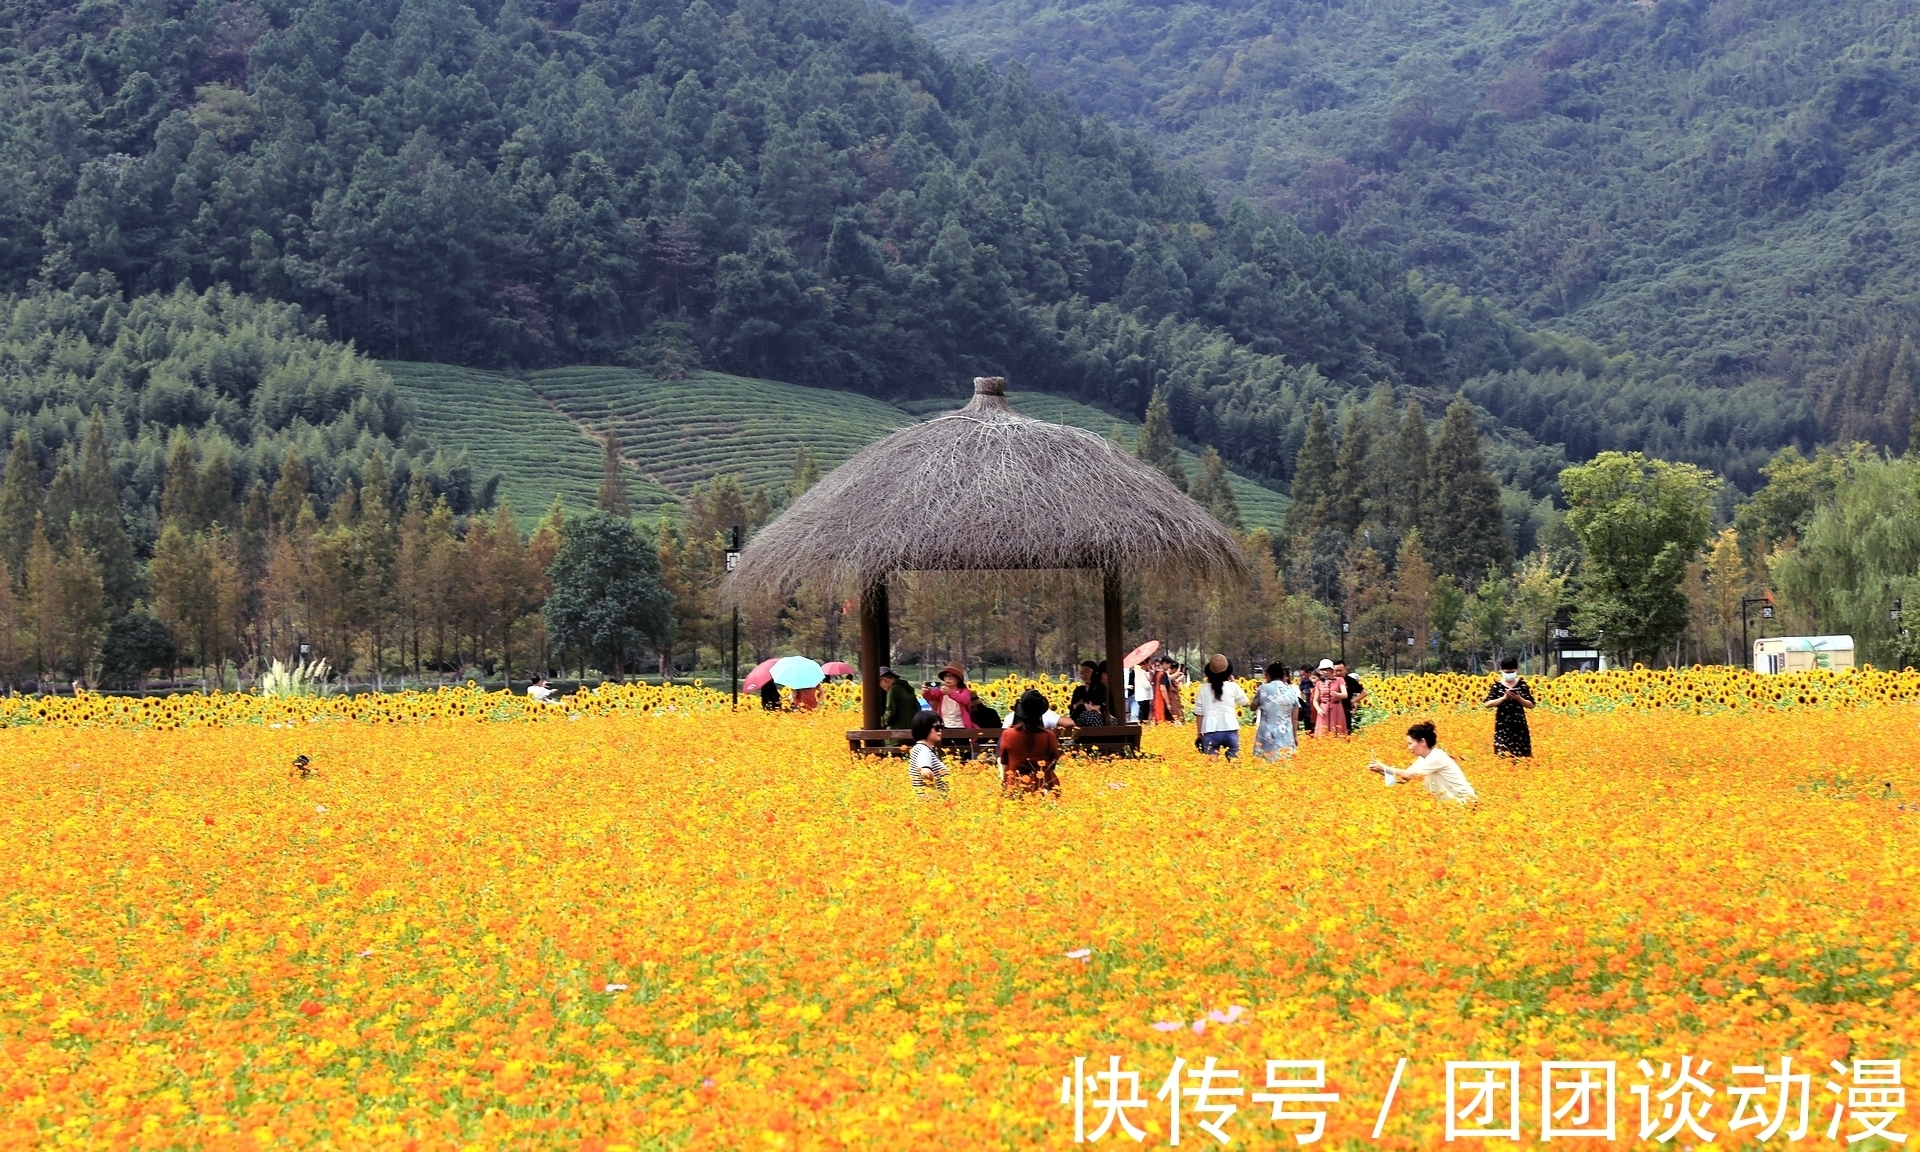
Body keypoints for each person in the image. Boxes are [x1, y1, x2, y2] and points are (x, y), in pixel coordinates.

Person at [1368, 720, 1477, 803]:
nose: (1408, 747)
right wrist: (1379, 770)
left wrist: (1383, 767)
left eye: (1410, 743)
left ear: (1422, 741)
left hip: (1466, 803)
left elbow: (1407, 775)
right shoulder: (1423, 758)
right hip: (1450, 806)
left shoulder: (1436, 756)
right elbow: (1403, 780)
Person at [999, 688, 1062, 797]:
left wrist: (1004, 785)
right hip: (1042, 788)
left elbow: (1004, 762)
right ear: (1040, 713)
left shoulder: (1008, 734)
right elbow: (1053, 763)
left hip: (1015, 787)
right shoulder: (1048, 736)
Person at [1193, 653, 1249, 760]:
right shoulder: (1232, 686)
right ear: (1228, 671)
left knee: (1212, 765)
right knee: (1233, 761)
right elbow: (1245, 702)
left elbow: (1199, 714)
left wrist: (1199, 733)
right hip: (1230, 728)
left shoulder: (1203, 689)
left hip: (1209, 730)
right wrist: (1234, 684)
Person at [1484, 656, 1536, 757]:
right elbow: (1487, 704)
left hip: (1519, 726)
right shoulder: (1497, 686)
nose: (1509, 674)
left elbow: (1531, 705)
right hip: (1502, 726)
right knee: (1502, 755)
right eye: (1507, 672)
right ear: (1502, 671)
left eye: (1511, 672)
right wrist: (1503, 698)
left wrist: (1519, 698)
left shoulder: (1522, 685)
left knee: (1523, 757)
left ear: (1516, 670)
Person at [1252, 662, 1301, 760]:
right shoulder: (1291, 691)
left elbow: (1252, 707)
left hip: (1266, 733)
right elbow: (1295, 717)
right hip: (1286, 733)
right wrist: (1295, 736)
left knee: (1264, 763)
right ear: (1283, 676)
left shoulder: (1263, 689)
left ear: (1268, 675)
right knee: (1284, 762)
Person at [907, 710, 951, 799]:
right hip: (931, 804)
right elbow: (926, 772)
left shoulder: (918, 748)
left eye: (941, 727)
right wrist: (933, 790)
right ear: (925, 728)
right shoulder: (924, 750)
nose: (940, 731)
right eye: (937, 727)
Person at [922, 665, 979, 729]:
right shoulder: (941, 690)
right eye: (946, 676)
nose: (948, 679)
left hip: (960, 726)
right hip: (943, 725)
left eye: (951, 676)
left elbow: (964, 700)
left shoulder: (964, 691)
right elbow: (931, 696)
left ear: (958, 679)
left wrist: (950, 693)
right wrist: (926, 692)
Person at [1311, 659, 1349, 737]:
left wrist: (1337, 695)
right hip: (1324, 708)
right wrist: (1318, 709)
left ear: (1331, 670)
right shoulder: (1319, 683)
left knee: (1337, 730)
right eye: (1322, 670)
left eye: (1326, 670)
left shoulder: (1339, 680)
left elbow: (1345, 694)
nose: (1324, 672)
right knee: (1323, 731)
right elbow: (1315, 700)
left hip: (1336, 708)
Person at [1334, 661, 1367, 732]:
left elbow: (1364, 693)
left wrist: (1353, 700)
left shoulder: (1350, 681)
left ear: (1345, 669)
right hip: (1333, 711)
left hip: (1345, 710)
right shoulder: (1331, 680)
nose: (1338, 673)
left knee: (1346, 733)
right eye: (1336, 671)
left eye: (1340, 670)